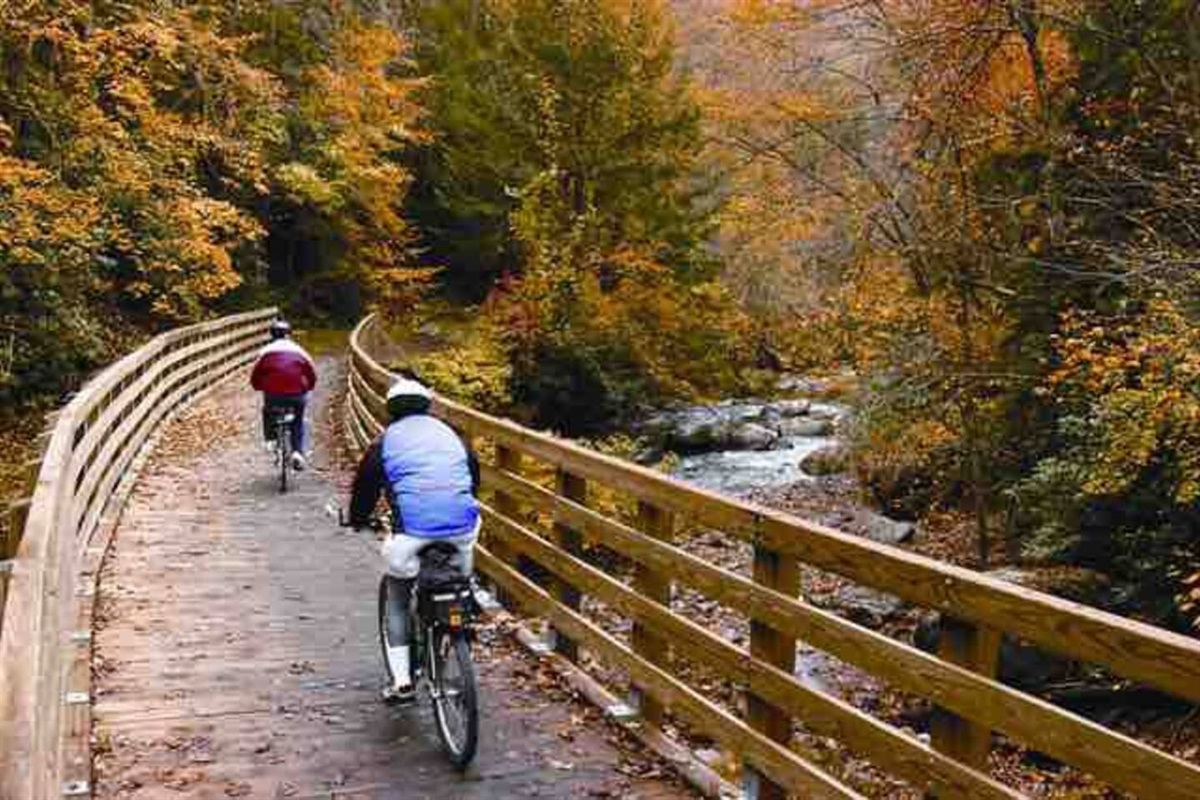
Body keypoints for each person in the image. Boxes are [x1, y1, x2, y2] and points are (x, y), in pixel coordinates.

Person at [349, 377, 481, 703]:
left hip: (413, 532)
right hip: (462, 526)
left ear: (390, 410)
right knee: (460, 578)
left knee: (397, 593)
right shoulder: (453, 436)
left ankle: (402, 682)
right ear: (427, 406)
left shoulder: (385, 443)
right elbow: (472, 477)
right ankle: (463, 620)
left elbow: (365, 488)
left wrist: (358, 520)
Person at [250, 319, 317, 471]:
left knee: (267, 411)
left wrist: (258, 386)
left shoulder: (265, 351)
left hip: (273, 395)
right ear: (289, 335)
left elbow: (255, 375)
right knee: (298, 420)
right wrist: (309, 387)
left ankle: (270, 440)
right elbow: (311, 373)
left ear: (271, 335)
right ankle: (297, 452)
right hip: (297, 394)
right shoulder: (299, 351)